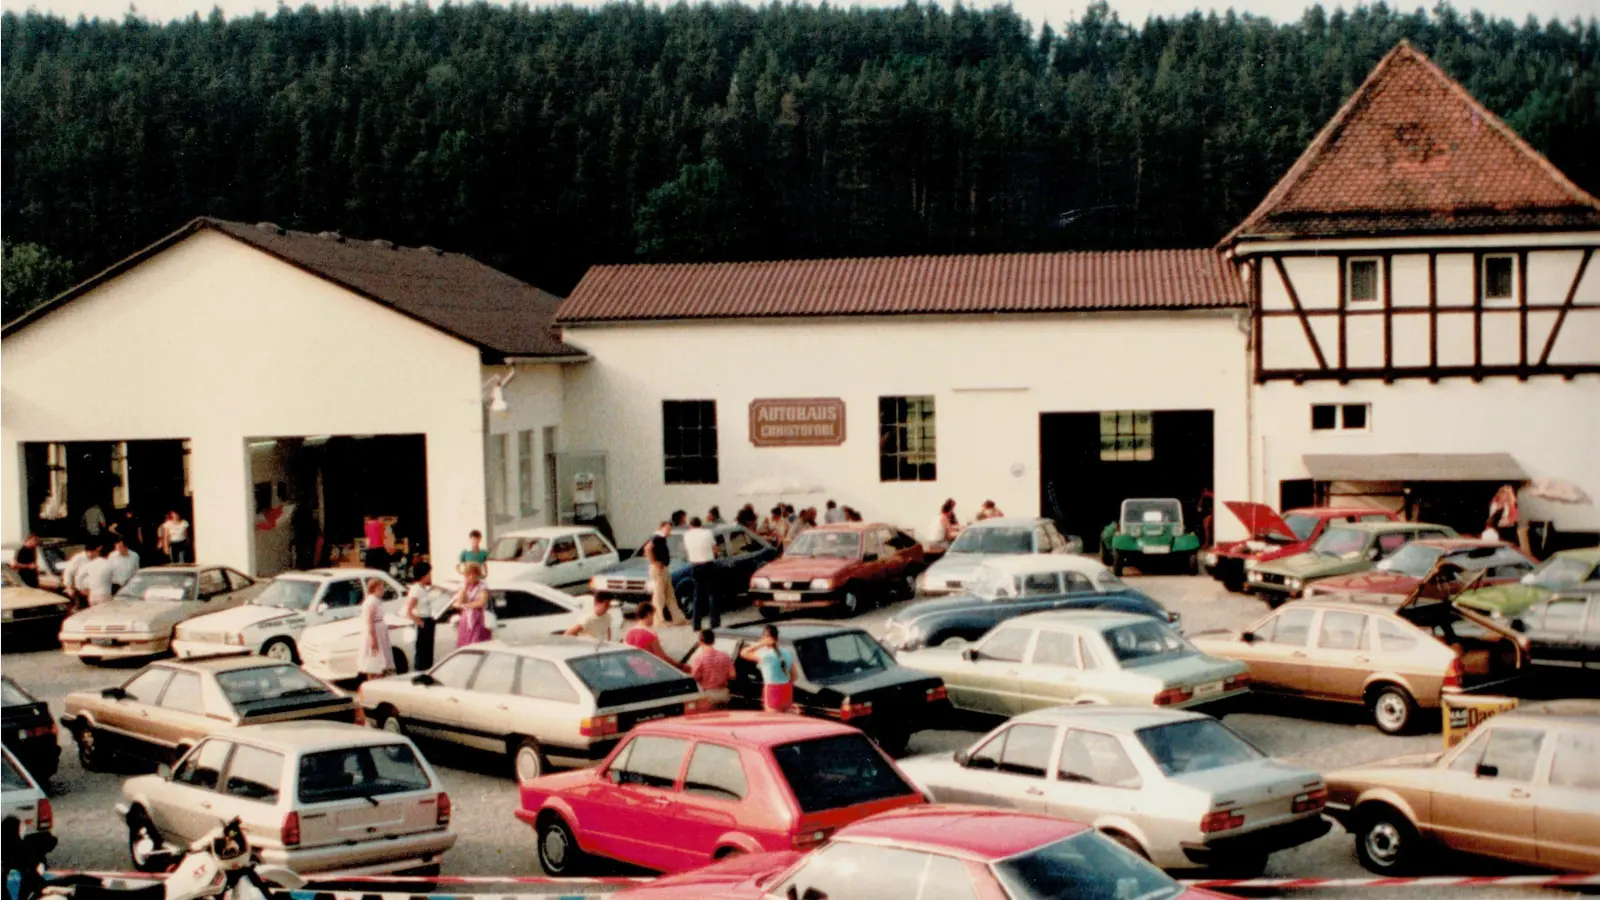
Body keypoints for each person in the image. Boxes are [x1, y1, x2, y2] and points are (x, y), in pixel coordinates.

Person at [740, 625, 797, 713]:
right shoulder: (788, 653)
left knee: (773, 722)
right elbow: (795, 676)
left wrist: (761, 644)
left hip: (772, 690)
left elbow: (744, 653)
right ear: (777, 637)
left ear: (765, 638)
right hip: (787, 690)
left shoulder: (765, 655)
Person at [645, 521, 686, 626]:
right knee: (659, 596)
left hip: (664, 568)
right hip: (659, 569)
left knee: (669, 594)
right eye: (667, 529)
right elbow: (648, 549)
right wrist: (654, 562)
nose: (669, 531)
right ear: (662, 527)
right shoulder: (657, 537)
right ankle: (658, 620)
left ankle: (678, 617)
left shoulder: (661, 538)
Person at [357, 578, 396, 681]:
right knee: (375, 657)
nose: (382, 590)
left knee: (382, 656)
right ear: (374, 589)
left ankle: (381, 676)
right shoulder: (371, 602)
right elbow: (369, 621)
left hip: (380, 631)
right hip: (375, 633)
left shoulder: (377, 601)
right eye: (380, 588)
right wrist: (373, 638)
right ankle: (374, 677)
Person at [623, 602, 681, 669]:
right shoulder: (650, 634)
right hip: (649, 672)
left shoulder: (629, 632)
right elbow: (662, 658)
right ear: (648, 614)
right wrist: (681, 666)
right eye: (653, 615)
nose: (653, 619)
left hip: (633, 672)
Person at [683, 517, 718, 630]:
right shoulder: (707, 533)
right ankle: (714, 622)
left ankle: (696, 623)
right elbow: (715, 549)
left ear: (691, 525)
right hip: (707, 564)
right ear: (701, 524)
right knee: (712, 593)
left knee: (697, 594)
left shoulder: (687, 535)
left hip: (695, 564)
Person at [401, 563, 436, 670]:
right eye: (428, 574)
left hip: (429, 620)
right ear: (423, 575)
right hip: (423, 620)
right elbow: (409, 611)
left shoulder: (424, 588)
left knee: (428, 651)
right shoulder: (416, 590)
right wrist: (420, 623)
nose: (430, 576)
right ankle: (420, 671)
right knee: (422, 652)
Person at [688, 629, 735, 707]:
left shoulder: (699, 659)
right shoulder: (725, 655)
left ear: (700, 641)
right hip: (724, 694)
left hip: (708, 695)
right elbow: (733, 675)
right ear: (714, 641)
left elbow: (694, 676)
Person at [451, 563, 492, 647]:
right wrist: (465, 587)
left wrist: (466, 605)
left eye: (474, 574)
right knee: (465, 645)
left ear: (478, 574)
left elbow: (481, 602)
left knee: (476, 644)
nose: (471, 576)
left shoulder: (482, 586)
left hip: (478, 618)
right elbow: (459, 601)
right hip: (466, 619)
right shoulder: (463, 586)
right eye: (468, 574)